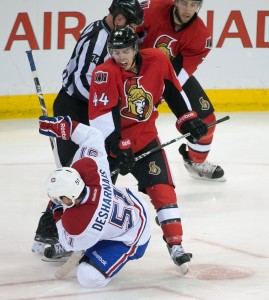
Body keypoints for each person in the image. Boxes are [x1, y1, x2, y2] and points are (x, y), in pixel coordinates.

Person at [88, 25, 209, 273]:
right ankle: (70, 239)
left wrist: (188, 118)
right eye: (115, 51)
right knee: (95, 197)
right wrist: (116, 147)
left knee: (163, 191)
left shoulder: (157, 59)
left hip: (145, 139)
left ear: (135, 48)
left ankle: (175, 244)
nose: (120, 57)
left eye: (125, 51)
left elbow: (174, 91)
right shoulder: (104, 73)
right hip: (109, 147)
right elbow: (101, 116)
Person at [32, 0, 144, 254]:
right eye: (131, 22)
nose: (134, 29)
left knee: (103, 169)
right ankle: (49, 233)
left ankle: (91, 226)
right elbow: (81, 80)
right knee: (74, 174)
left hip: (96, 109)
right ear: (118, 19)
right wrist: (106, 106)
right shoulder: (96, 37)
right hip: (76, 108)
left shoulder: (114, 37)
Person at [38, 115, 151, 287]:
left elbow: (69, 242)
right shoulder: (93, 167)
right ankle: (96, 243)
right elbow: (93, 136)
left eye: (59, 199)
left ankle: (99, 250)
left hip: (133, 235)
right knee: (88, 235)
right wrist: (65, 126)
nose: (56, 201)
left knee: (88, 277)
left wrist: (57, 214)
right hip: (133, 203)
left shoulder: (82, 224)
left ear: (68, 198)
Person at [136, 0, 225, 181]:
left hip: (170, 75)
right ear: (175, 2)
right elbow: (122, 40)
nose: (188, 9)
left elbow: (182, 72)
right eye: (184, 3)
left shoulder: (201, 35)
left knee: (207, 120)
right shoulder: (151, 9)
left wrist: (159, 91)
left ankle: (195, 161)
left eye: (193, 4)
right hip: (133, 71)